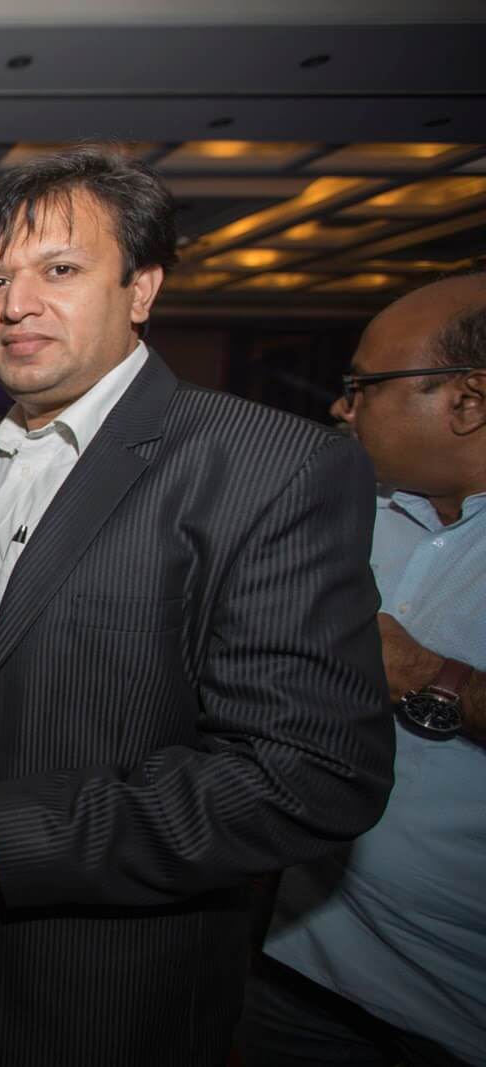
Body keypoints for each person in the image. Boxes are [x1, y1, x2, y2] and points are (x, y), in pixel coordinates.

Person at [0, 146, 393, 1067]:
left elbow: (312, 773)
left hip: (101, 979)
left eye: (60, 269)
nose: (15, 305)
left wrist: (7, 839)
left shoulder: (267, 467)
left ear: (141, 289)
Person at [245, 274, 486, 1067]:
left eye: (364, 386)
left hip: (452, 1010)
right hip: (297, 952)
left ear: (467, 402)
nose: (341, 407)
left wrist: (428, 674)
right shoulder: (352, 513)